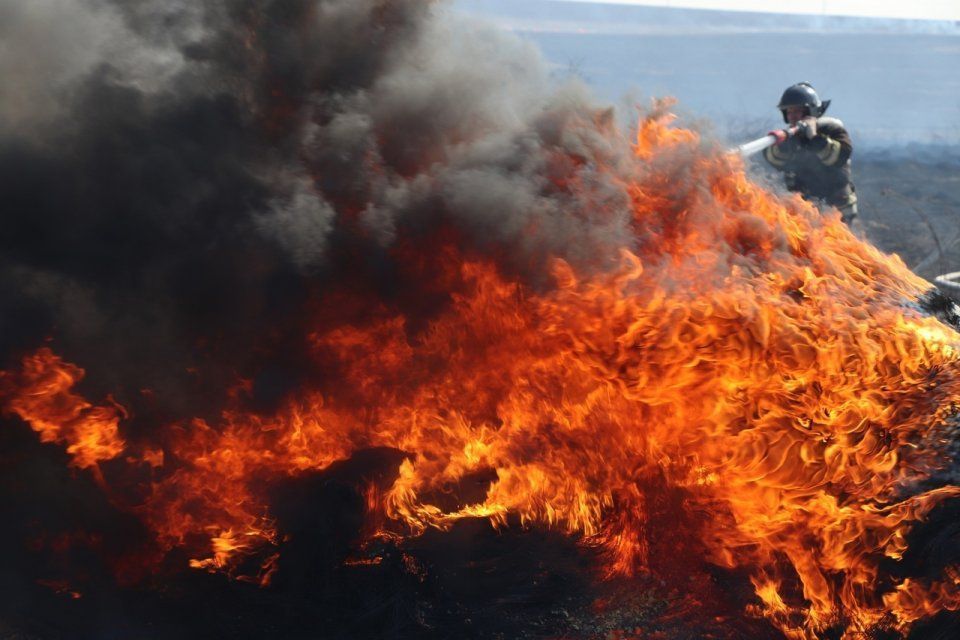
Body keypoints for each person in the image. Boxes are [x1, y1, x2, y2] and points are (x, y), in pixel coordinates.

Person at [764, 82, 858, 224]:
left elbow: (839, 156)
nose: (792, 117)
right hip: (804, 212)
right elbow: (774, 158)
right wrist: (787, 144)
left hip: (837, 214)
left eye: (796, 111)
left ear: (810, 111)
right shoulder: (789, 137)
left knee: (835, 245)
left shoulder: (832, 129)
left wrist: (814, 139)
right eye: (789, 112)